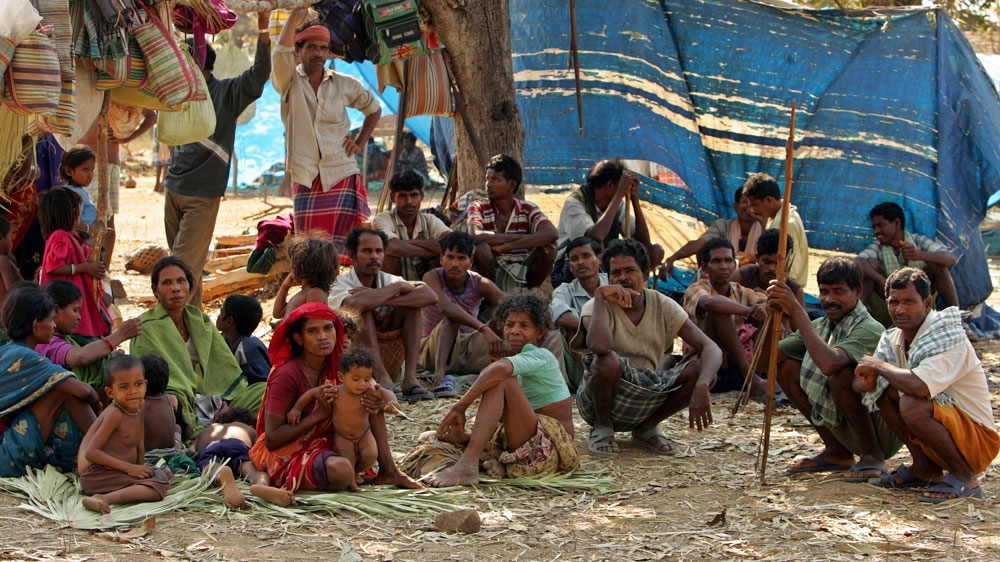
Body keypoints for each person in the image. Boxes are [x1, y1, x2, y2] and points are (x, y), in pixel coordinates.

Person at [855, 268, 999, 502]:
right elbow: (865, 386)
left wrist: (878, 366)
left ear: (927, 302)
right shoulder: (893, 337)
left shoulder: (947, 336)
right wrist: (866, 379)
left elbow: (920, 387)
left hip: (978, 441)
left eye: (909, 302)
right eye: (894, 302)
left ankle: (965, 477)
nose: (900, 309)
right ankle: (924, 468)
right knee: (885, 391)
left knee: (912, 402)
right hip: (951, 430)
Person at [571, 239, 722, 457]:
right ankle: (603, 428)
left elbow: (711, 348)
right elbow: (599, 346)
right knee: (606, 360)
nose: (622, 278)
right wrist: (600, 297)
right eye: (616, 272)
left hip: (647, 394)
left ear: (645, 274)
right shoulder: (596, 305)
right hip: (600, 399)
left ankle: (646, 428)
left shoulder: (662, 304)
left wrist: (703, 385)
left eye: (630, 270)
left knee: (703, 370)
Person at [248, 302, 419, 493]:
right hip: (291, 448)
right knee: (342, 470)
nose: (323, 336)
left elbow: (375, 392)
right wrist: (319, 415)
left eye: (328, 328)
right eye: (312, 331)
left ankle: (389, 469)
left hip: (333, 441)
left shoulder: (341, 364)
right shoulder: (286, 374)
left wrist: (380, 402)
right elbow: (272, 439)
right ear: (298, 338)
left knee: (367, 397)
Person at [164, 10, 272, 308]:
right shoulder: (180, 93)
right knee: (188, 271)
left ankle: (177, 333)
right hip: (173, 189)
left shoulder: (226, 93)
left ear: (198, 64)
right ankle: (193, 333)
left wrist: (263, 30)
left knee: (180, 271)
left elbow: (259, 75)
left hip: (202, 194)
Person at [426, 292, 580, 487]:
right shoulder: (517, 360)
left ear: (539, 332)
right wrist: (466, 437)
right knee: (436, 439)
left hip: (548, 450)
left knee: (501, 379)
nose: (515, 331)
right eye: (509, 325)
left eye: (524, 326)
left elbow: (500, 371)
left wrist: (459, 407)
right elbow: (503, 414)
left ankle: (468, 465)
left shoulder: (541, 356)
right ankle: (492, 458)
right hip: (527, 442)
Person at [767, 257, 897, 480]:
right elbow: (766, 363)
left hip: (880, 429)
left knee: (841, 375)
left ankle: (872, 455)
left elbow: (830, 365)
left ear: (857, 292)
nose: (829, 299)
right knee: (786, 368)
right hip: (844, 424)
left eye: (838, 291)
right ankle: (837, 451)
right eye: (824, 292)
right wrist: (772, 317)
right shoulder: (821, 326)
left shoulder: (869, 328)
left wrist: (798, 312)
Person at [274, 8, 381, 251]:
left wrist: (360, 142)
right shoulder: (288, 81)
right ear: (299, 50)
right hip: (305, 174)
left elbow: (373, 110)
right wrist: (295, 13)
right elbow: (280, 53)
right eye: (312, 47)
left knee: (343, 249)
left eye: (324, 48)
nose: (319, 53)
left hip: (341, 172)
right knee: (309, 249)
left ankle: (339, 288)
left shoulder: (344, 83)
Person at [131, 257, 261, 440]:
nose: (175, 288)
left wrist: (225, 402)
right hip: (178, 399)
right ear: (156, 291)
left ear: (190, 286)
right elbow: (151, 380)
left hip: (214, 396)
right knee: (170, 403)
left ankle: (225, 424)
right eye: (167, 283)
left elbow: (222, 368)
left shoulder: (200, 320)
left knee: (264, 390)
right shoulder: (146, 326)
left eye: (181, 281)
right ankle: (206, 433)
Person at [0, 284, 102, 477]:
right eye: (51, 320)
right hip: (5, 455)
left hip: (7, 442)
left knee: (59, 387)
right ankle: (104, 452)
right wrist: (98, 406)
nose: (54, 326)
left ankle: (99, 451)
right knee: (64, 389)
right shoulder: (27, 357)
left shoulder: (7, 351)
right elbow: (84, 391)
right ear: (34, 325)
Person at [329, 228, 438, 400]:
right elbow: (355, 304)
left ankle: (410, 378)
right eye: (367, 251)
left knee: (413, 305)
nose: (374, 256)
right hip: (356, 366)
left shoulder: (388, 279)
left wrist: (384, 298)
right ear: (352, 255)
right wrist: (396, 289)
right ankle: (380, 376)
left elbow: (430, 296)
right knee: (362, 310)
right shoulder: (340, 284)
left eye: (379, 251)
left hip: (392, 360)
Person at [287, 348, 394, 492]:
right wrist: (297, 408)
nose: (362, 384)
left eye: (366, 379)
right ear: (342, 377)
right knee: (347, 460)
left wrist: (392, 402)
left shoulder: (369, 391)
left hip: (364, 434)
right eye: (356, 379)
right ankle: (352, 485)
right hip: (343, 437)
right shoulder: (336, 391)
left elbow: (385, 393)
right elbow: (311, 393)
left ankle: (356, 473)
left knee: (371, 456)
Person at [78, 355, 171, 514]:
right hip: (96, 474)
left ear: (145, 385)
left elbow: (139, 443)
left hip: (119, 471)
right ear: (110, 392)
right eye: (124, 387)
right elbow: (91, 453)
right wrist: (130, 469)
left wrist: (140, 468)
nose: (133, 392)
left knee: (163, 475)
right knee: (157, 488)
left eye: (138, 384)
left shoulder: (139, 405)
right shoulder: (115, 414)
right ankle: (103, 498)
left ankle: (133, 484)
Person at [418, 231, 505, 396]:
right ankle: (439, 374)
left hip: (467, 347)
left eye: (461, 258)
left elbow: (509, 305)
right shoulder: (432, 277)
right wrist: (483, 328)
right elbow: (446, 308)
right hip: (433, 349)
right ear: (441, 258)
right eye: (450, 257)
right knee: (452, 318)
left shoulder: (479, 282)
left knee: (504, 321)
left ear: (470, 261)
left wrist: (495, 328)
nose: (455, 264)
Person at [553, 159, 664, 287]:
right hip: (571, 267)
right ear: (610, 185)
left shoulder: (617, 204)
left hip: (603, 261)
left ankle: (633, 288)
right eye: (621, 185)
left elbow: (643, 242)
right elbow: (594, 238)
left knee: (655, 251)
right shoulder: (575, 203)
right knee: (596, 249)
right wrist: (620, 193)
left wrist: (634, 198)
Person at [682, 238, 769, 396]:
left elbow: (770, 303)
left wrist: (763, 307)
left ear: (734, 265)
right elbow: (711, 302)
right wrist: (749, 311)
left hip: (738, 363)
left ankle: (760, 373)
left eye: (728, 261)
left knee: (770, 314)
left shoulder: (739, 290)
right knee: (719, 312)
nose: (723, 266)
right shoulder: (696, 288)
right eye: (716, 261)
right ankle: (752, 379)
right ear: (704, 267)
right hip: (709, 366)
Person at [466, 154, 558, 292]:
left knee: (550, 249)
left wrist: (506, 247)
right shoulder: (478, 206)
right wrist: (526, 239)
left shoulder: (527, 209)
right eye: (487, 179)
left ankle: (527, 294)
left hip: (520, 269)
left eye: (495, 179)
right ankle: (489, 299)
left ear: (511, 185)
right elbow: (475, 235)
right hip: (488, 272)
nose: (488, 184)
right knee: (482, 250)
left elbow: (552, 233)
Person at [857, 202, 959, 322]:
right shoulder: (878, 247)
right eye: (874, 227)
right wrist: (882, 281)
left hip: (919, 305)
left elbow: (950, 259)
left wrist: (919, 255)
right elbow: (857, 262)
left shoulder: (918, 241)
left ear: (896, 223)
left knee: (938, 265)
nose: (877, 231)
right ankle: (857, 320)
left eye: (881, 226)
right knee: (870, 267)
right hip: (888, 306)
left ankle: (956, 318)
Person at [79, 109, 156, 268]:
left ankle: (103, 271)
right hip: (79, 162)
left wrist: (127, 138)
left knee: (106, 220)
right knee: (81, 217)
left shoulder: (119, 91)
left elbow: (152, 116)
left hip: (107, 162)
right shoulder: (85, 89)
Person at [35, 279, 142, 390]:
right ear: (56, 310)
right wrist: (120, 335)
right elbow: (80, 357)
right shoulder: (47, 343)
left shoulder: (65, 338)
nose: (79, 317)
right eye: (75, 310)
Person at [38, 186, 109, 339]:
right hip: (65, 296)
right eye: (78, 209)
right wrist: (84, 268)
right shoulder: (60, 236)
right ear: (69, 212)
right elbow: (53, 266)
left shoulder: (73, 236)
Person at [193, 407, 295, 509]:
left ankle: (220, 476)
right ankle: (261, 484)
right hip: (237, 443)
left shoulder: (209, 429)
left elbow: (192, 450)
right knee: (250, 468)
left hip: (210, 447)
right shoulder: (248, 429)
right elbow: (259, 447)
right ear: (251, 424)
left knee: (211, 467)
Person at [660, 185, 763, 280]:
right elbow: (700, 243)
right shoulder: (723, 226)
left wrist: (752, 259)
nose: (749, 207)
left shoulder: (765, 226)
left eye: (753, 204)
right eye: (745, 202)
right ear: (735, 206)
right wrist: (673, 258)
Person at [550, 237, 607, 392]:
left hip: (613, 354)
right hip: (579, 369)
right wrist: (594, 330)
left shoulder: (611, 283)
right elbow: (559, 315)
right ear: (570, 266)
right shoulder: (564, 290)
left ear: (599, 259)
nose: (581, 262)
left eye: (586, 256)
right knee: (572, 320)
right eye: (574, 259)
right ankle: (591, 384)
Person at [372, 170, 451, 281]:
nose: (409, 201)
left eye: (414, 195)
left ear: (422, 196)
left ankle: (432, 291)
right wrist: (437, 250)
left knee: (445, 257)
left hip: (429, 281)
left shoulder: (431, 220)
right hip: (396, 282)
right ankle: (390, 294)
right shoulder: (382, 219)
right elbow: (391, 247)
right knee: (388, 255)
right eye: (402, 196)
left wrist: (411, 243)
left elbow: (452, 242)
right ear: (392, 197)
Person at [742, 172, 810, 285]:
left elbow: (791, 270)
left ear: (768, 200)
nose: (753, 210)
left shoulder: (787, 224)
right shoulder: (774, 218)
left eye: (755, 205)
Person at [732, 228, 804, 306]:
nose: (772, 268)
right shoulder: (742, 277)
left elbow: (799, 317)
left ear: (787, 262)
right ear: (757, 257)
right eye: (767, 262)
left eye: (778, 264)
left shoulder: (795, 291)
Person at [273, 237, 338, 319]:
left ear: (301, 267)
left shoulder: (315, 293)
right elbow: (278, 313)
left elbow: (314, 321)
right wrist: (285, 286)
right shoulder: (306, 293)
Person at [218, 294, 272, 385]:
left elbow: (262, 386)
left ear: (229, 322)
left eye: (221, 312)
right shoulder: (222, 340)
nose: (218, 316)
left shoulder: (249, 350)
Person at [141, 354, 181, 452]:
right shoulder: (167, 401)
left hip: (149, 454)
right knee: (177, 427)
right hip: (171, 451)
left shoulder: (142, 405)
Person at [57, 146, 99, 231]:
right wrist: (91, 230)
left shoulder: (75, 191)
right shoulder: (75, 194)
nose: (91, 175)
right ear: (69, 171)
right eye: (86, 170)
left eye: (92, 170)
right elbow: (72, 223)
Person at [0, 217, 22, 307]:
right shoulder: (2, 260)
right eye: (10, 237)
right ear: (0, 237)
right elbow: (12, 289)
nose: (12, 241)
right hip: (5, 313)